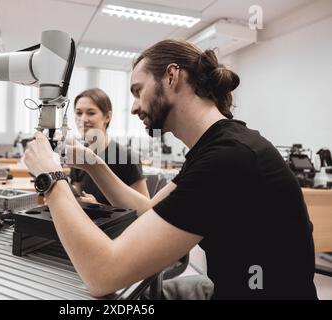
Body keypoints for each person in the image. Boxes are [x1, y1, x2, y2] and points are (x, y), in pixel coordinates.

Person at [24, 39, 318, 299]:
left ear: (172, 76)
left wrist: (50, 178)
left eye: (138, 92)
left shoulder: (228, 159)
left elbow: (102, 275)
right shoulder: (217, 147)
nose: (135, 107)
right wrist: (96, 164)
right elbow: (148, 210)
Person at [69, 88, 149, 204]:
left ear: (107, 117)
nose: (83, 119)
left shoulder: (126, 158)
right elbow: (78, 195)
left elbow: (146, 212)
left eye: (91, 113)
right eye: (79, 113)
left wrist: (99, 207)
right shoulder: (79, 155)